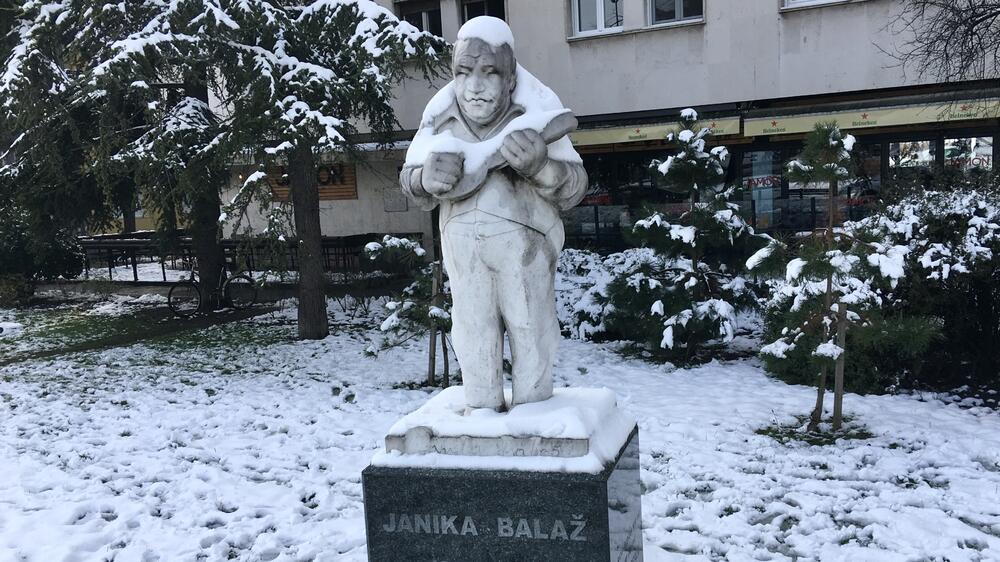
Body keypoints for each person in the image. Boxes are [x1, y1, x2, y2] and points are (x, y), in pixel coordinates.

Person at [399, 17, 587, 412]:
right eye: (464, 72)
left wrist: (541, 167)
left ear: (511, 76)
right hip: (463, 252)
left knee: (530, 329)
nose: (474, 86)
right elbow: (411, 179)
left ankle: (533, 415)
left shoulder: (538, 108)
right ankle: (481, 412)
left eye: (489, 72)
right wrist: (422, 179)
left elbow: (574, 187)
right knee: (472, 333)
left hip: (526, 251)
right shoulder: (439, 114)